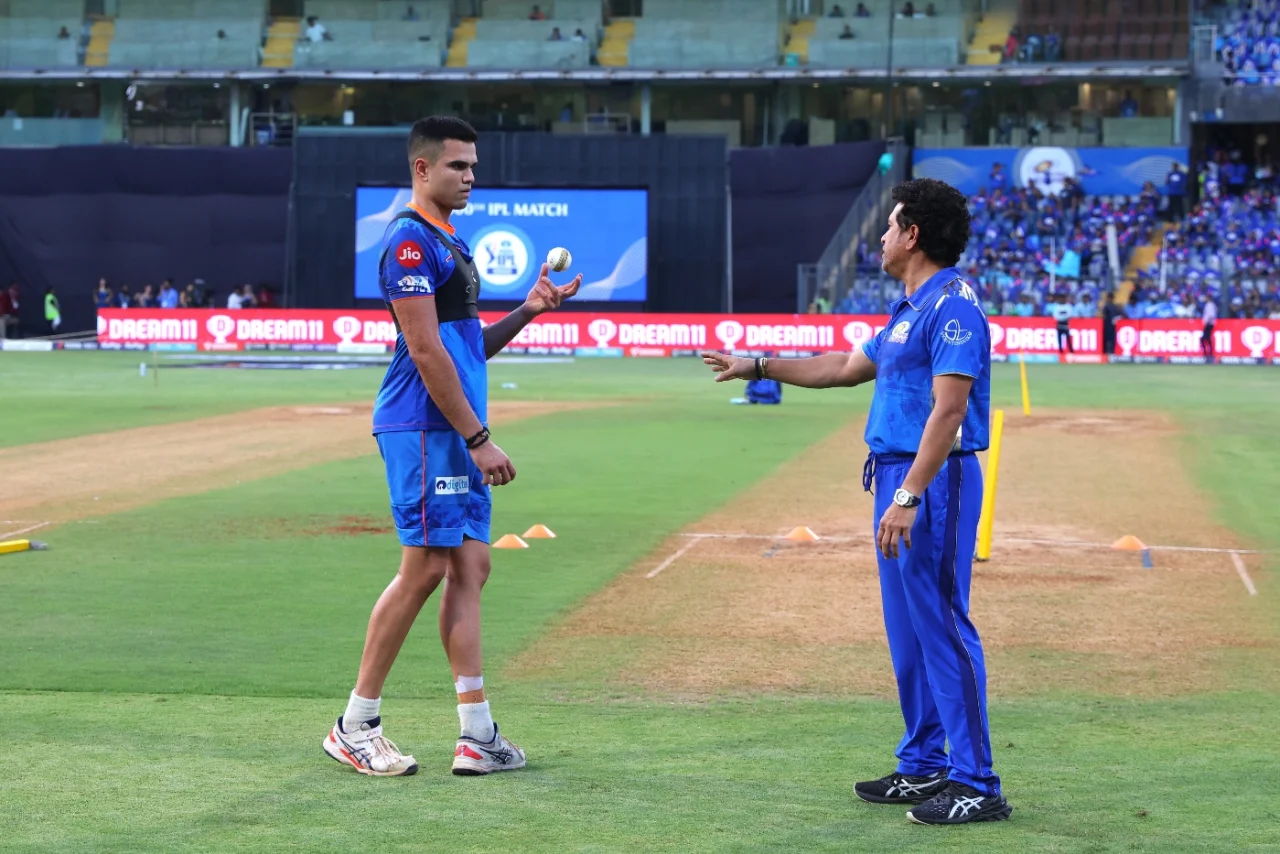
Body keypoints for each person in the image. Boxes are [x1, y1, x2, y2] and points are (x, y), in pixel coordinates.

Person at [700, 178, 1011, 826]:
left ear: (914, 235)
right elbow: (840, 369)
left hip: (934, 482)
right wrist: (756, 365)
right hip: (900, 479)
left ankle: (977, 781)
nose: (882, 237)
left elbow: (949, 412)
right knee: (909, 634)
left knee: (944, 626)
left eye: (890, 226)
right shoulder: (907, 310)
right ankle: (924, 763)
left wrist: (907, 494)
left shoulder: (954, 309)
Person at [323, 116, 582, 778]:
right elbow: (424, 350)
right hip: (423, 427)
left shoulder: (448, 241)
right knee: (428, 567)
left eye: (473, 166)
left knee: (470, 567)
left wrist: (527, 311)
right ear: (422, 169)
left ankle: (477, 735)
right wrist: (479, 438)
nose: (471, 176)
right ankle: (355, 725)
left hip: (449, 427)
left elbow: (463, 347)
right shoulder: (409, 244)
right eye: (458, 167)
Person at [1101, 290, 1123, 356]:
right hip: (1107, 325)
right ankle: (1105, 352)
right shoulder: (1106, 306)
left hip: (1113, 326)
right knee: (1106, 340)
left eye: (1111, 297)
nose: (1110, 299)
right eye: (1109, 297)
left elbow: (1119, 314)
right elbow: (1104, 315)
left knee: (1113, 340)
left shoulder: (1114, 306)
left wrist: (1118, 316)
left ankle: (1112, 353)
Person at [1201, 294, 1218, 360]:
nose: (1204, 299)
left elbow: (1211, 315)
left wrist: (1207, 322)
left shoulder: (1210, 305)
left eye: (1205, 297)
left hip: (1209, 324)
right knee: (1207, 338)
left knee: (1203, 339)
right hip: (1209, 323)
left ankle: (1207, 353)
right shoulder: (1211, 304)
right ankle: (1209, 353)